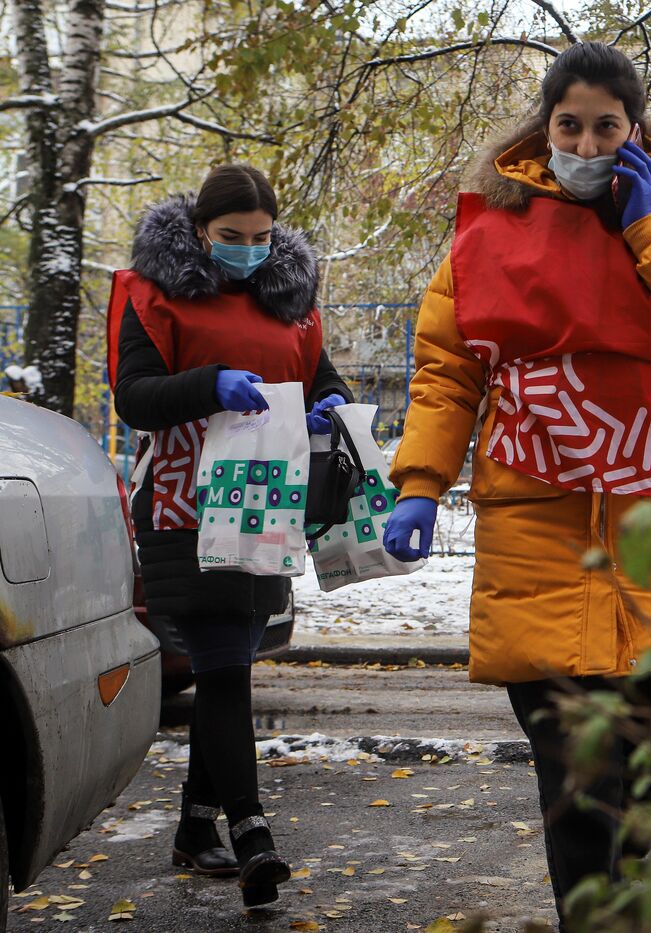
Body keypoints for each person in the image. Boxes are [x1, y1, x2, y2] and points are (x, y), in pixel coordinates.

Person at [382, 41, 651, 928]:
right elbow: (447, 366)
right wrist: (420, 481)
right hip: (538, 529)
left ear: (637, 132)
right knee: (574, 778)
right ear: (543, 128)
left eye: (606, 127)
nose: (588, 146)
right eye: (570, 126)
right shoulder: (489, 228)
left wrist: (644, 228)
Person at [110, 165, 352, 909]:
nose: (247, 250)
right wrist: (208, 383)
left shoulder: (291, 301)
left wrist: (332, 406)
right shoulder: (156, 294)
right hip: (185, 502)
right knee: (222, 664)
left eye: (260, 238)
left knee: (234, 656)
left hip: (266, 497)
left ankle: (192, 825)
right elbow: (135, 398)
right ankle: (252, 834)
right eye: (229, 238)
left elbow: (322, 380)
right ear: (199, 231)